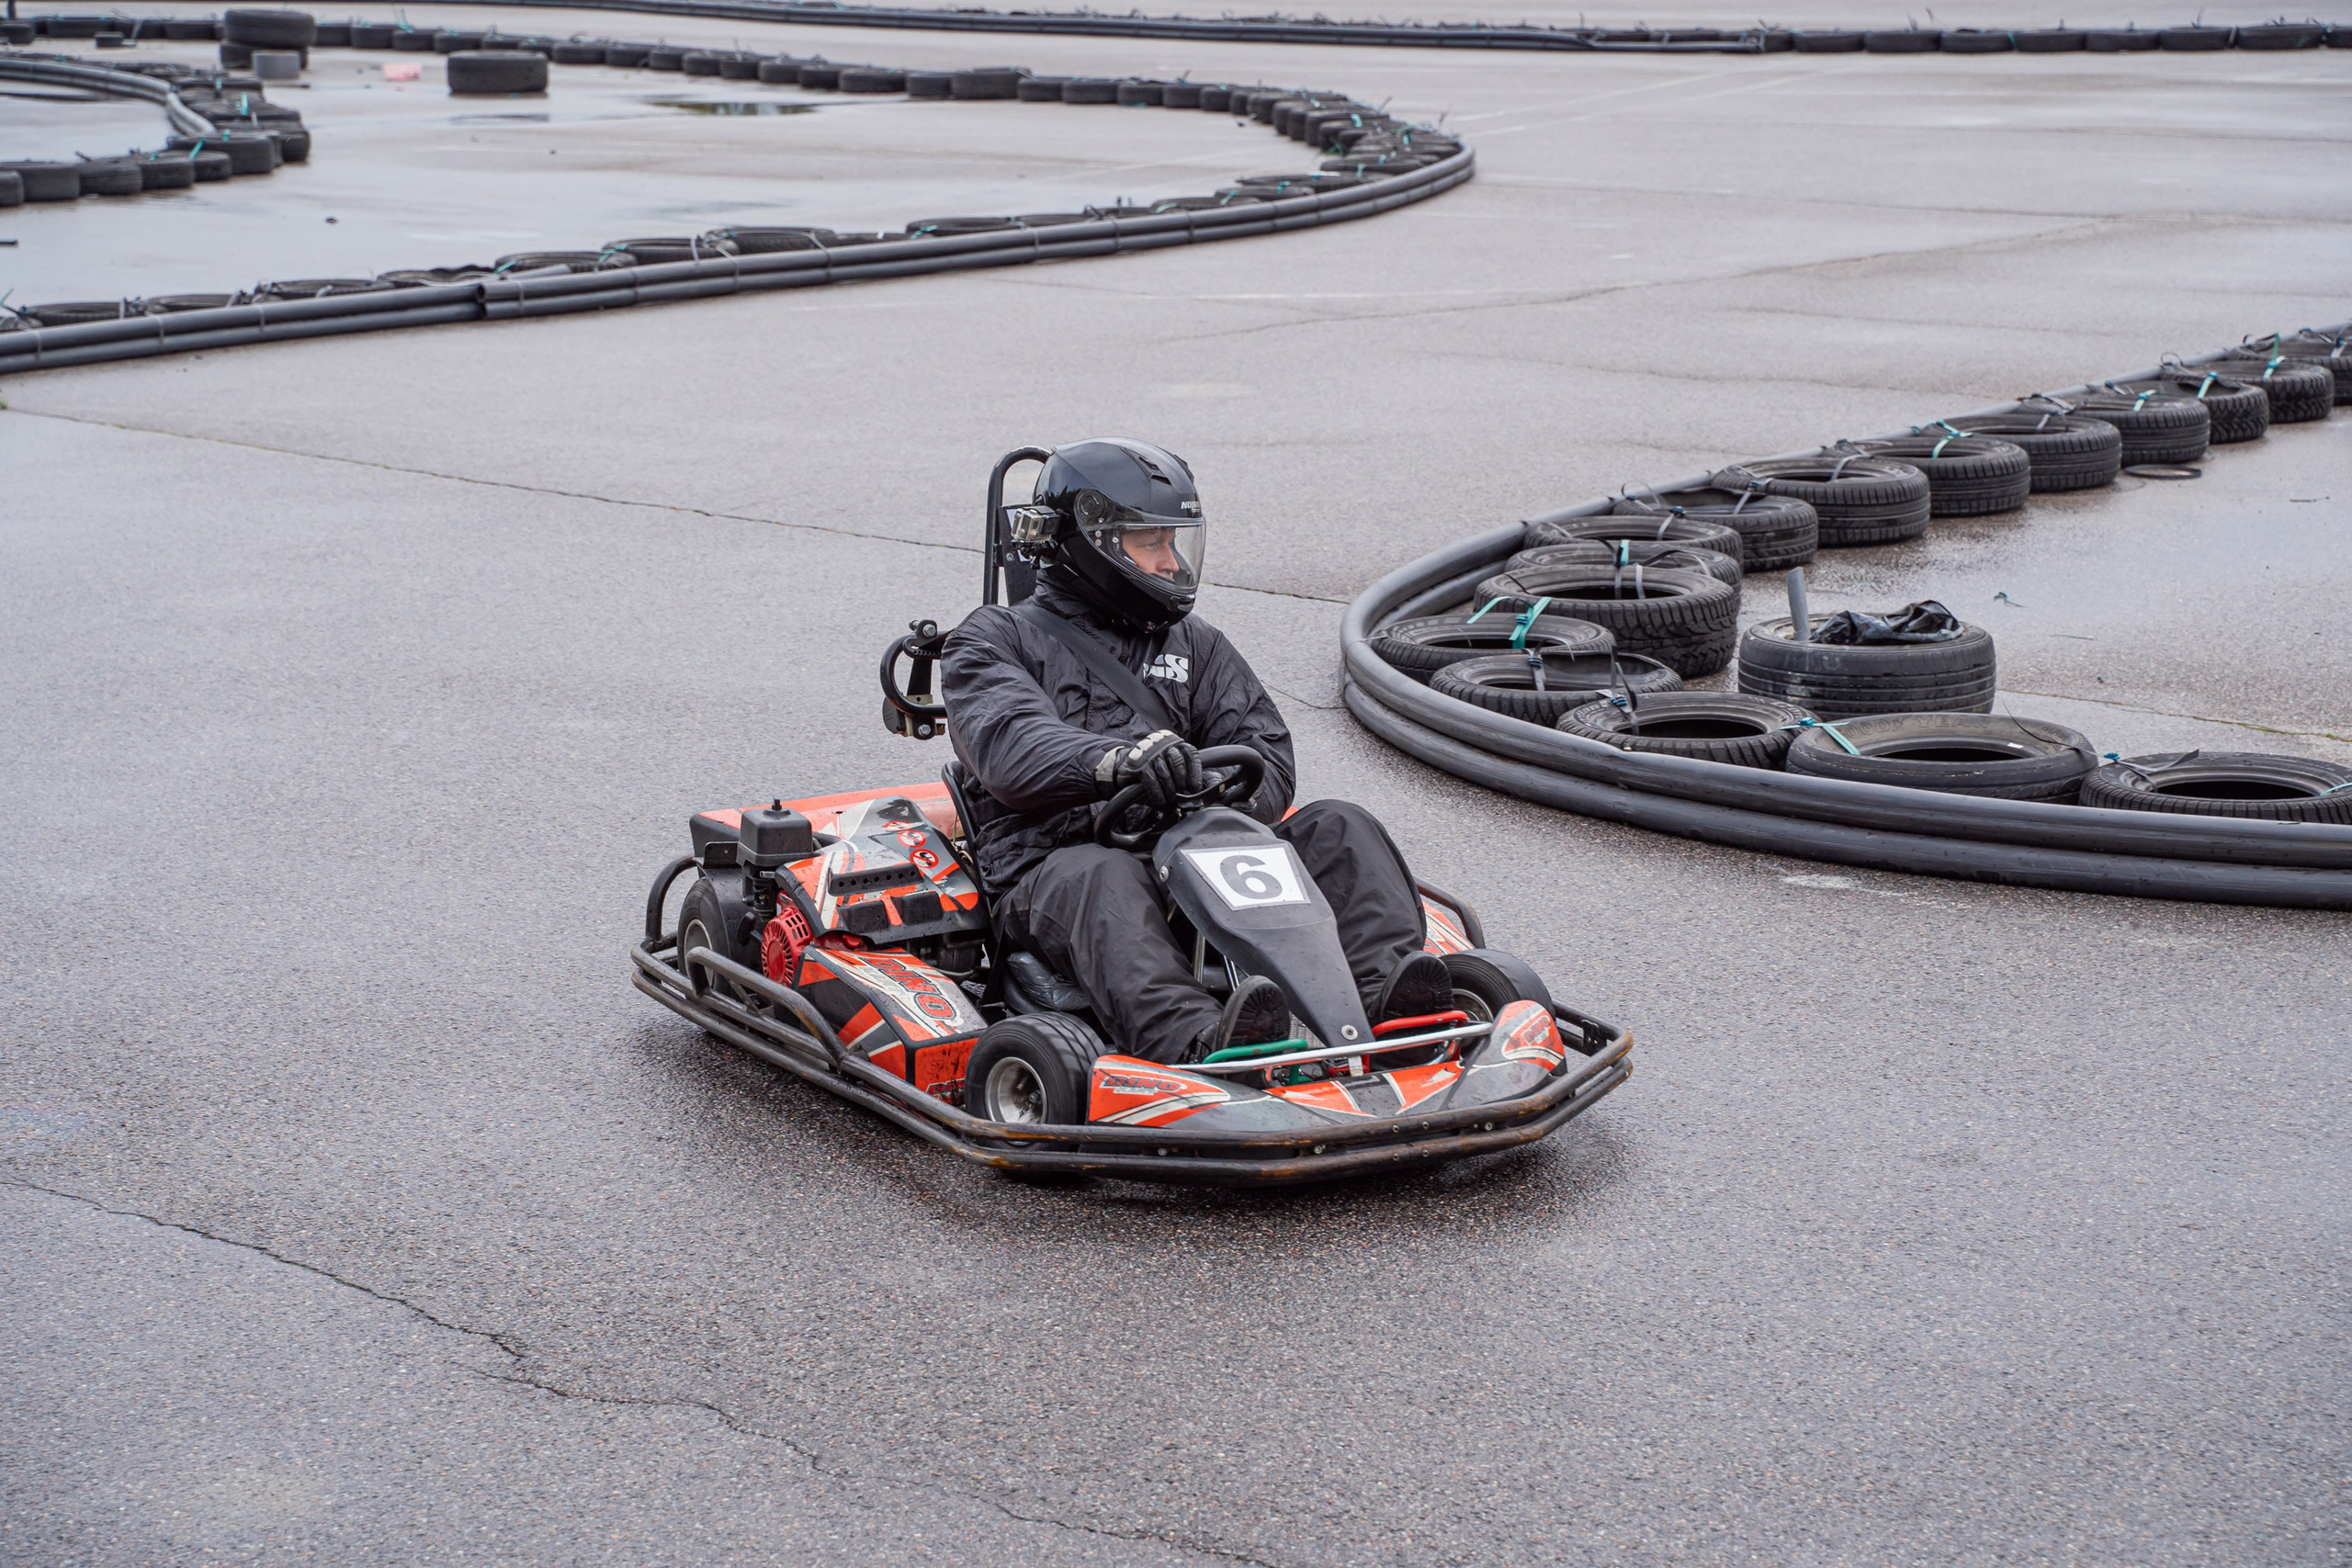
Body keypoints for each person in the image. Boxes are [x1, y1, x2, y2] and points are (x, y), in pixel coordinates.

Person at [940, 437, 1452, 1066]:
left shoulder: (1196, 644)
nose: (1169, 562)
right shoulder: (993, 640)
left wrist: (1206, 796)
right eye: (1149, 543)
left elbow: (1266, 749)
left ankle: (1385, 1007)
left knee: (1341, 825)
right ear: (1093, 543)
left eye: (1175, 541)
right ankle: (1201, 1044)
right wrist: (1120, 764)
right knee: (1106, 877)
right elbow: (1012, 748)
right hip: (1057, 865)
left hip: (1192, 855)